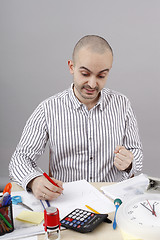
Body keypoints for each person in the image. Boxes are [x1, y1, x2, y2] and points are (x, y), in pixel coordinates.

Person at [9, 35, 143, 201]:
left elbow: (136, 151)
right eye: (85, 73)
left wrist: (130, 162)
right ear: (71, 67)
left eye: (101, 76)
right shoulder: (47, 109)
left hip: (113, 199)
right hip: (68, 202)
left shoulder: (122, 104)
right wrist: (34, 180)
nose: (92, 84)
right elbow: (20, 159)